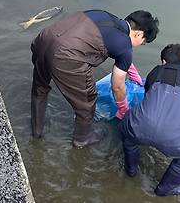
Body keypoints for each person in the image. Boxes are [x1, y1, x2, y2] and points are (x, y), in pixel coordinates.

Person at [30, 9, 159, 148]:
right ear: (139, 33)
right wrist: (123, 109)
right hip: (65, 56)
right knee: (87, 101)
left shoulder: (104, 15)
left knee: (40, 87)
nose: (140, 44)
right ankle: (82, 139)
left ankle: (37, 130)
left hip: (43, 39)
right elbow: (117, 86)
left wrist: (132, 71)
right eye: (143, 41)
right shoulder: (125, 46)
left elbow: (118, 50)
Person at [118, 44, 180, 196]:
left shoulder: (156, 71)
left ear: (163, 61)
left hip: (139, 127)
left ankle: (131, 169)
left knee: (127, 127)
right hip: (176, 139)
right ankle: (167, 187)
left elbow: (148, 98)